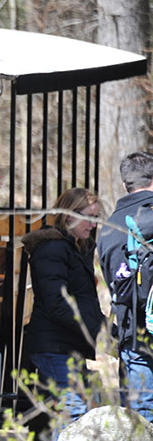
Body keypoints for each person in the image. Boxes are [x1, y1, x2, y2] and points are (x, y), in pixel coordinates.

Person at [22, 187, 104, 427]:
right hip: (55, 346)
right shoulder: (53, 249)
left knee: (72, 414)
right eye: (88, 217)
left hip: (67, 346)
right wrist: (98, 331)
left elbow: (82, 301)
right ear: (68, 215)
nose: (93, 224)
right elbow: (57, 303)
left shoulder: (74, 248)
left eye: (96, 218)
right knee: (73, 412)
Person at [97, 151, 153, 424]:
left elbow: (113, 281)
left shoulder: (110, 226)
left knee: (138, 411)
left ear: (124, 185)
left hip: (133, 331)